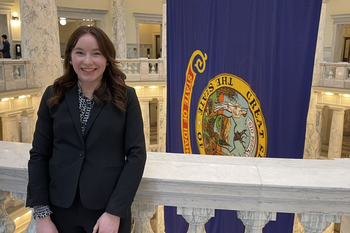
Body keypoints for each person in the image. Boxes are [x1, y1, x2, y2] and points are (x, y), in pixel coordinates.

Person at [26, 25, 147, 233]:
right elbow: (39, 155)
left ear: (107, 59)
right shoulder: (53, 95)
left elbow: (136, 156)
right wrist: (42, 216)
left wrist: (114, 212)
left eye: (96, 54)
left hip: (106, 212)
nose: (88, 61)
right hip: (59, 211)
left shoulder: (126, 98)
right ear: (70, 57)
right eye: (80, 53)